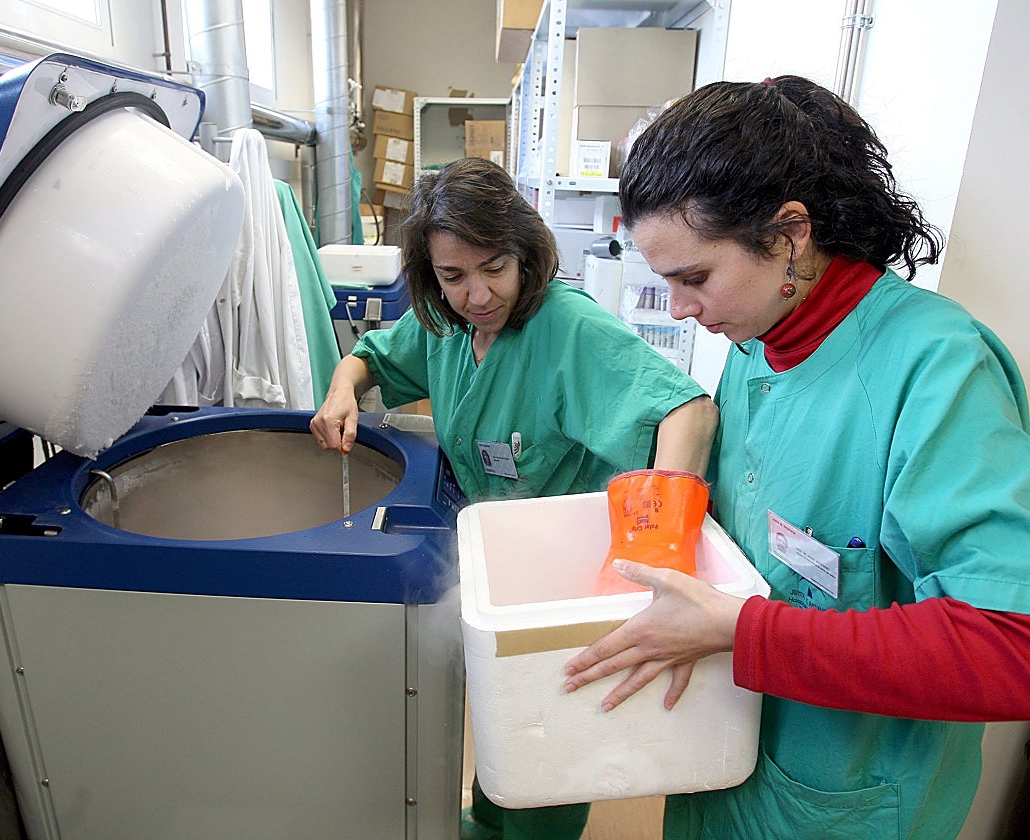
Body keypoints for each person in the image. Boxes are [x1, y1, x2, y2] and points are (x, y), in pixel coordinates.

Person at [561, 75, 1030, 839]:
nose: (679, 309)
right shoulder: (759, 337)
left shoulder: (937, 368)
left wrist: (745, 633)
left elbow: (1011, 644)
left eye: (695, 278)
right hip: (727, 759)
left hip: (842, 797)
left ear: (789, 234)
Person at [310, 156, 719, 840]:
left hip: (565, 575)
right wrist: (340, 391)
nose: (477, 295)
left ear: (524, 252)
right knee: (506, 719)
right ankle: (491, 818)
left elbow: (689, 411)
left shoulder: (567, 327)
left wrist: (660, 566)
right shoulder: (445, 325)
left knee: (550, 738)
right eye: (453, 276)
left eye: (494, 267)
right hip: (499, 561)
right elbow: (375, 356)